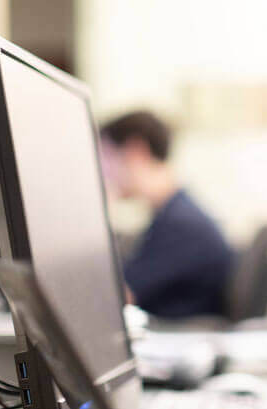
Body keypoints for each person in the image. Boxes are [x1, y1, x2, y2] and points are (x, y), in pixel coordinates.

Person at [99, 109, 233, 319]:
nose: (103, 171)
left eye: (105, 156)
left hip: (180, 335)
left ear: (136, 152)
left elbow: (116, 298)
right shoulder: (174, 212)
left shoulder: (181, 225)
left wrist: (97, 215)